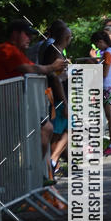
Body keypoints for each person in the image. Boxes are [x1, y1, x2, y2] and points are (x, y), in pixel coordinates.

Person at [0, 19, 66, 158]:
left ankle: (33, 173)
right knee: (10, 147)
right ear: (15, 34)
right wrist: (52, 67)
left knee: (45, 129)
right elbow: (30, 68)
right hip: (5, 108)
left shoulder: (17, 52)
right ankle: (29, 174)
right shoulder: (6, 49)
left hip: (14, 107)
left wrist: (51, 69)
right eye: (27, 34)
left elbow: (35, 69)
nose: (31, 38)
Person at [41, 22, 72, 174]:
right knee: (68, 128)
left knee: (59, 132)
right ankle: (53, 161)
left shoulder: (57, 51)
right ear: (66, 37)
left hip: (57, 95)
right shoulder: (55, 52)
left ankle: (53, 162)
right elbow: (56, 79)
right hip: (57, 97)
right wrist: (65, 103)